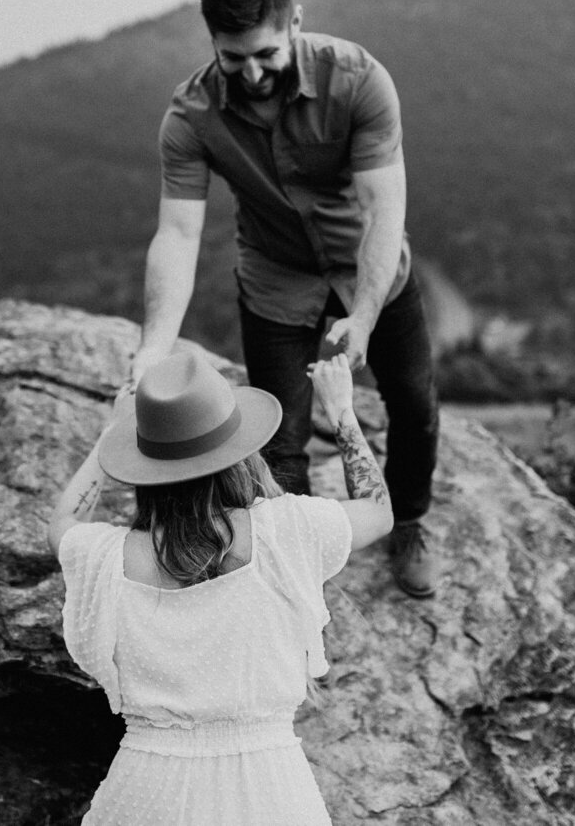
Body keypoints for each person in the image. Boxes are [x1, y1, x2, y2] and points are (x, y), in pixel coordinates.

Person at [129, 0, 443, 597]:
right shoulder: (190, 116)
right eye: (232, 57)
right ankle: (288, 566)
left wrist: (362, 316)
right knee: (278, 439)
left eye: (266, 54)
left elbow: (384, 209)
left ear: (295, 22)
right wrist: (153, 346)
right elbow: (179, 232)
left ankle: (408, 521)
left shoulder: (357, 79)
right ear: (213, 39)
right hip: (274, 283)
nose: (250, 73)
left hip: (370, 270)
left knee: (414, 407)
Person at [48, 349, 391, 825]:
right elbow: (378, 511)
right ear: (239, 456)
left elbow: (63, 522)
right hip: (269, 788)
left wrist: (112, 435)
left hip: (148, 788)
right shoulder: (286, 531)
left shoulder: (106, 556)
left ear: (146, 470)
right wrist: (341, 411)